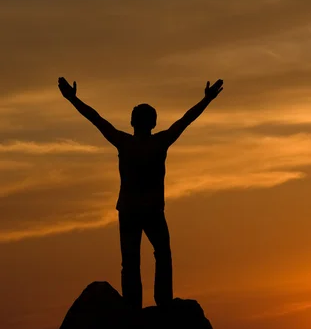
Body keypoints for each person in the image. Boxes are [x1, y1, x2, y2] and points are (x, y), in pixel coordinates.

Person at [58, 76, 224, 308]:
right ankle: (162, 303)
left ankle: (134, 306)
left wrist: (72, 99)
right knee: (161, 255)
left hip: (130, 209)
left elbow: (96, 119)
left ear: (133, 122)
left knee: (131, 261)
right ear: (152, 124)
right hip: (149, 209)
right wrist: (206, 100)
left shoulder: (124, 141)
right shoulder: (158, 142)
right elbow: (186, 120)